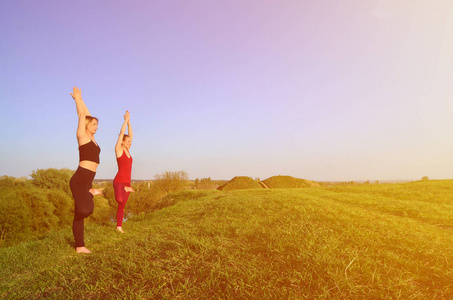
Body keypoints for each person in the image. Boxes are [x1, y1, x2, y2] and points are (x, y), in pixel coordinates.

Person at [69, 87, 102, 254]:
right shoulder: (82, 136)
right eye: (94, 124)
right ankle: (80, 245)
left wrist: (83, 100)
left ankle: (80, 246)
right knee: (84, 210)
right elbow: (82, 116)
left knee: (81, 213)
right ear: (87, 126)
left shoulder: (93, 139)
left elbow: (87, 115)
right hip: (80, 179)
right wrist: (77, 99)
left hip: (88, 179)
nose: (96, 127)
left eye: (97, 124)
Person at [113, 110, 134, 233]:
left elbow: (130, 134)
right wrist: (125, 121)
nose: (130, 143)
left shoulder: (128, 151)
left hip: (128, 183)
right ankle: (126, 190)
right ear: (122, 142)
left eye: (131, 142)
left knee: (122, 206)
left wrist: (130, 121)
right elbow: (122, 133)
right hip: (119, 182)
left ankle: (119, 227)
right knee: (120, 200)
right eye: (128, 142)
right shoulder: (118, 150)